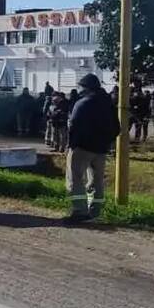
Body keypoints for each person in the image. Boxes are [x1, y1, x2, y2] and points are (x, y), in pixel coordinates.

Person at [65, 73, 120, 223]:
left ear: (86, 88)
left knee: (75, 178)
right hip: (101, 149)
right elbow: (117, 128)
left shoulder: (83, 103)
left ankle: (80, 211)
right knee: (97, 181)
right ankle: (95, 212)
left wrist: (71, 145)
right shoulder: (108, 104)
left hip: (82, 147)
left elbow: (73, 126)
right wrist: (106, 142)